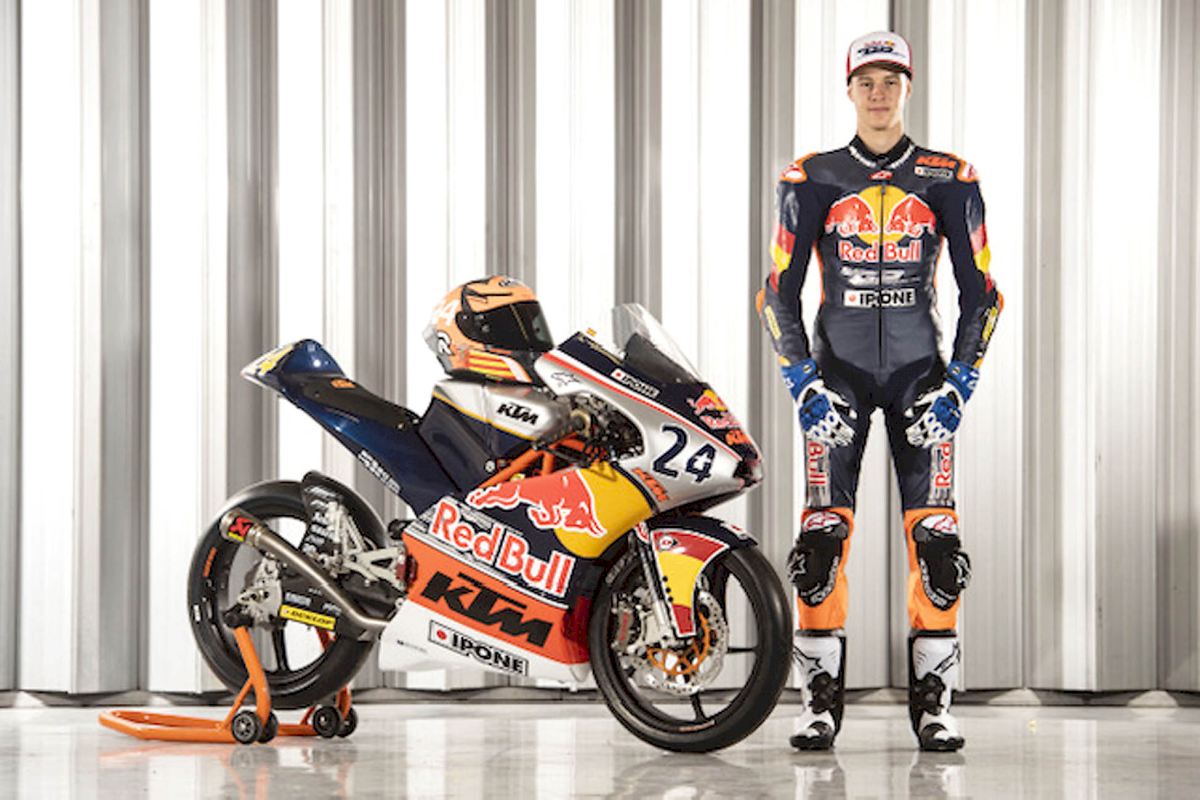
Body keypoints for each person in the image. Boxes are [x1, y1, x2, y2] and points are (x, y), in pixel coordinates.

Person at [756, 31, 1002, 752]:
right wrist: (802, 382)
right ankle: (818, 707)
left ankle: (935, 708)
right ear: (848, 89)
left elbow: (983, 294)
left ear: (908, 87)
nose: (878, 93)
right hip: (835, 379)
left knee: (938, 544)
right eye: (866, 80)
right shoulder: (811, 177)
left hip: (923, 380)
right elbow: (777, 293)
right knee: (820, 542)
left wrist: (960, 384)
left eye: (891, 80)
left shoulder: (950, 177)